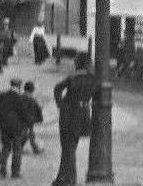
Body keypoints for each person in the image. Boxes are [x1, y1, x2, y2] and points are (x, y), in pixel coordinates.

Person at [52, 52, 100, 186]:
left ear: (78, 63)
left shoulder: (73, 77)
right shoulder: (94, 79)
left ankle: (70, 179)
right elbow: (96, 95)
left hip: (68, 114)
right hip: (83, 115)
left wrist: (60, 104)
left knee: (68, 149)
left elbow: (57, 89)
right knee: (70, 148)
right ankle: (61, 178)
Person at [0, 78, 32, 179]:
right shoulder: (19, 98)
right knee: (17, 149)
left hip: (4, 127)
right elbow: (23, 113)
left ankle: (3, 169)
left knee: (5, 148)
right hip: (16, 128)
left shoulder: (2, 96)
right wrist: (29, 122)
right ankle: (15, 172)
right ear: (19, 86)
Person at [21, 82, 44, 156]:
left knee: (27, 135)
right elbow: (38, 109)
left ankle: (21, 148)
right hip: (29, 121)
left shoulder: (19, 97)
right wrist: (39, 118)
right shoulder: (31, 99)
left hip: (22, 120)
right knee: (29, 135)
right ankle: (35, 149)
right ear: (32, 90)